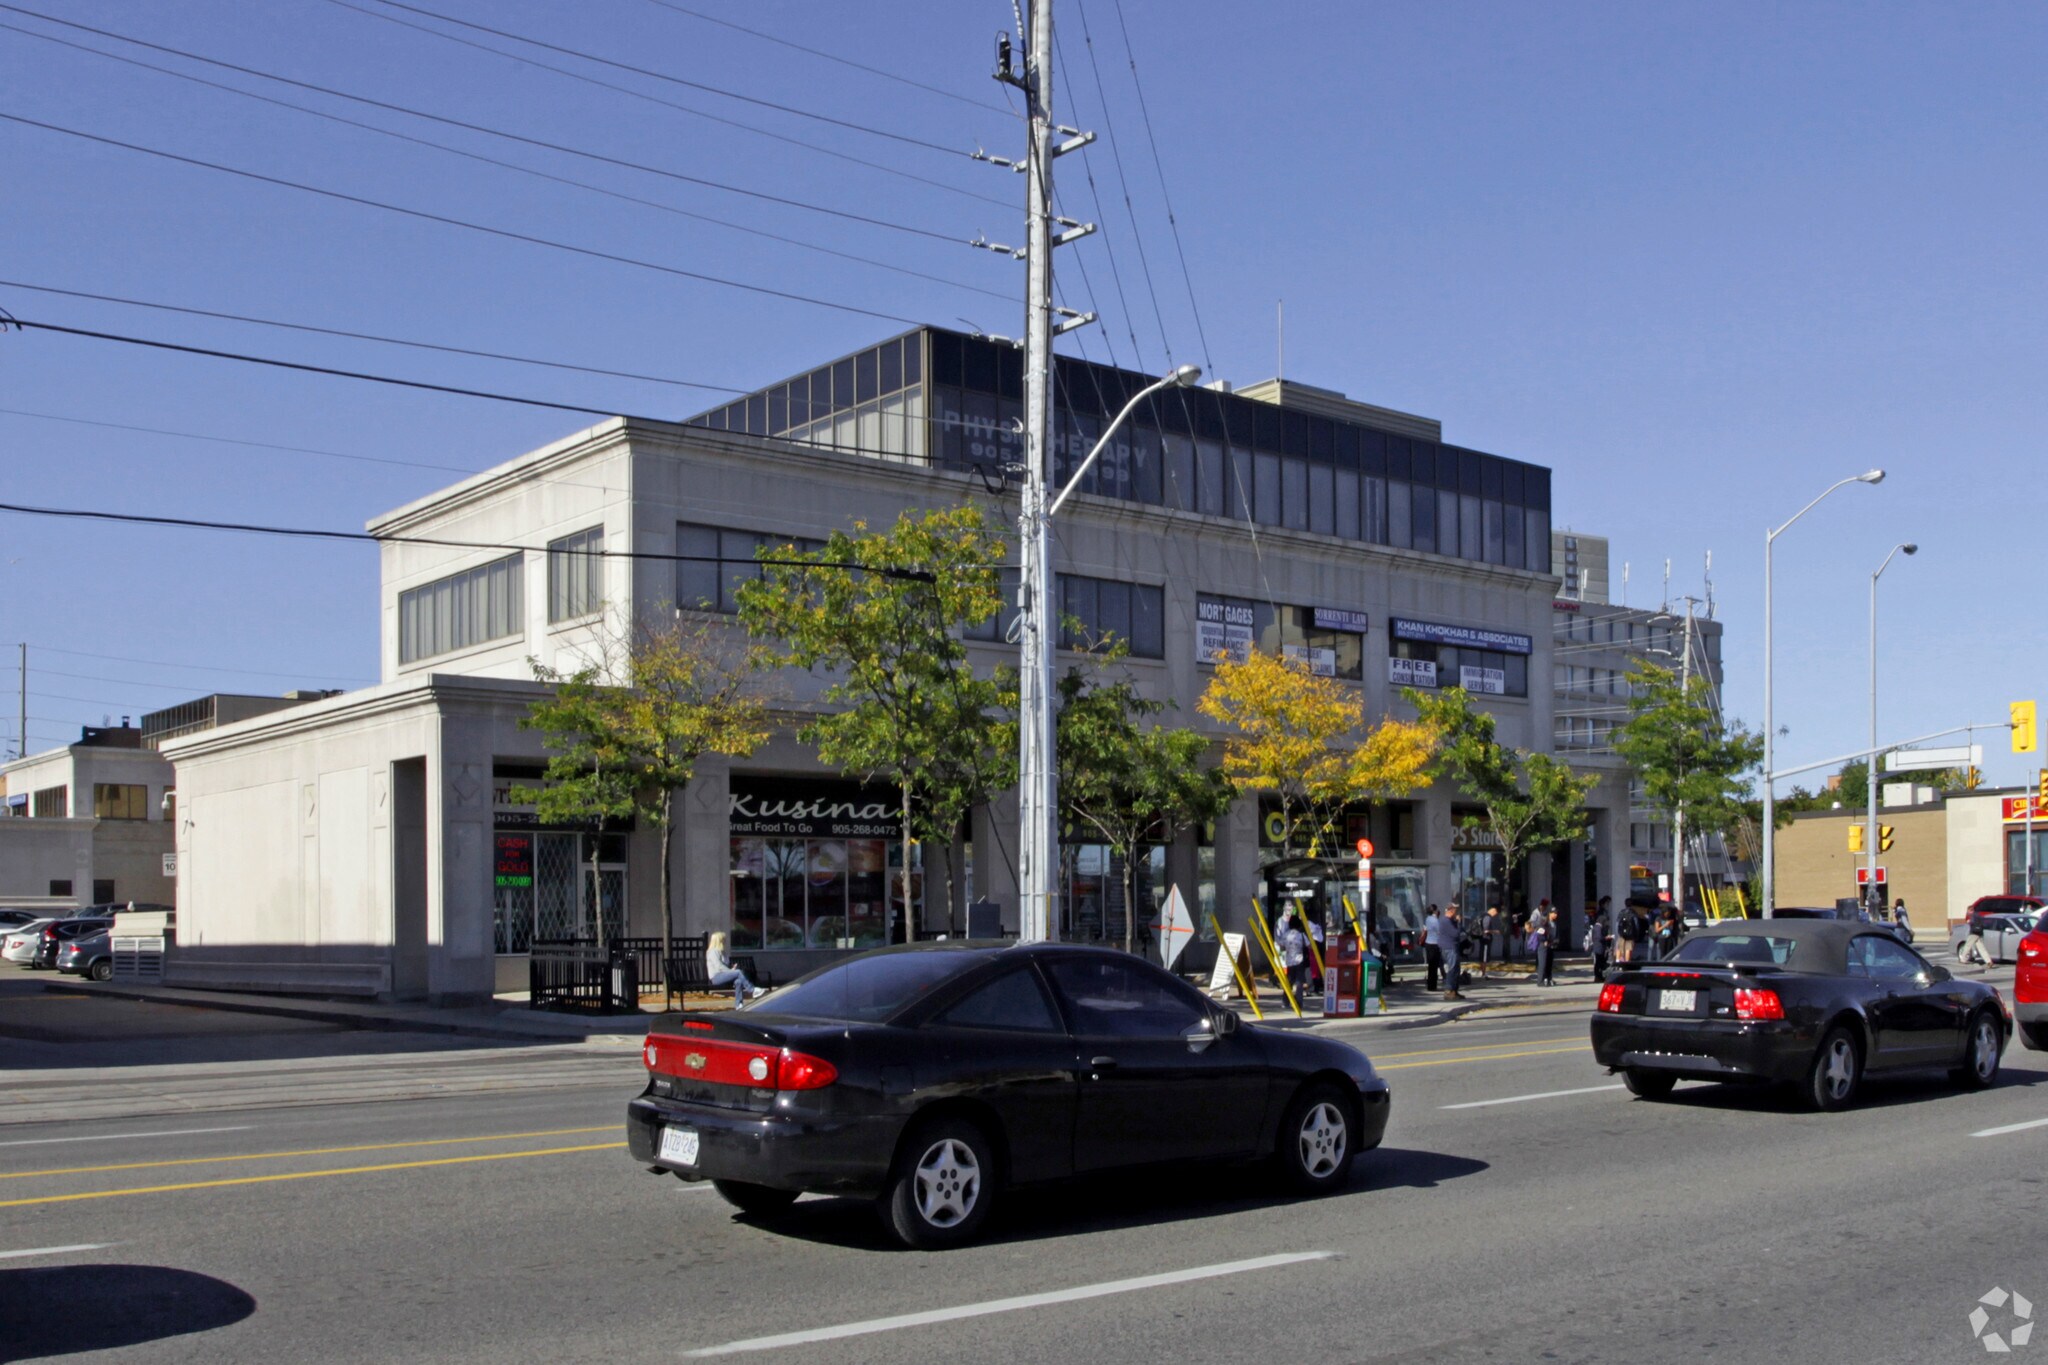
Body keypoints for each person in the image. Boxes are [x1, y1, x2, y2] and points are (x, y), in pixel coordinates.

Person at [705, 930, 764, 1006]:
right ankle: (752, 990)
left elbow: (725, 965)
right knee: (738, 972)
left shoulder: (722, 951)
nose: (725, 941)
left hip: (724, 975)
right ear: (719, 940)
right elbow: (718, 966)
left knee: (738, 981)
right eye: (723, 939)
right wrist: (730, 971)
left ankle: (738, 1004)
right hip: (716, 977)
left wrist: (732, 968)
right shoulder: (713, 951)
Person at [1433, 903, 1465, 1001]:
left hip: (1452, 946)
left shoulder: (1450, 921)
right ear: (1451, 910)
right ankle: (1449, 990)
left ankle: (1454, 990)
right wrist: (1459, 923)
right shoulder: (1445, 921)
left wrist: (1456, 922)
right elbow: (1456, 934)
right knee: (1452, 968)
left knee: (1456, 969)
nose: (1457, 913)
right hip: (1449, 947)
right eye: (1455, 910)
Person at [1278, 913, 1310, 1000]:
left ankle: (1286, 1000)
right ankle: (1299, 1001)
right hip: (1299, 961)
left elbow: (1281, 947)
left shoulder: (1285, 935)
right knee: (1299, 982)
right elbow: (1309, 946)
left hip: (1289, 961)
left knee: (1289, 981)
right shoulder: (1301, 935)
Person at [1959, 904, 1994, 968]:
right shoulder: (1978, 915)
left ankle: (1963, 959)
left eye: (1968, 911)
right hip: (1979, 933)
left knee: (1967, 945)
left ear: (1970, 910)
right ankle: (1989, 961)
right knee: (1981, 948)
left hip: (1973, 933)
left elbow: (1972, 923)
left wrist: (1969, 922)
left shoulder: (1973, 916)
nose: (1967, 913)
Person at [1423, 904, 1444, 992]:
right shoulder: (1435, 920)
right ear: (1434, 911)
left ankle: (1430, 985)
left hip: (1428, 942)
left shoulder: (1427, 919)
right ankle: (1433, 985)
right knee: (1434, 966)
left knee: (1431, 965)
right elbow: (1439, 931)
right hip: (1435, 944)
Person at [1480, 906, 1505, 978]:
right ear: (1493, 911)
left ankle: (1483, 972)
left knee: (1483, 956)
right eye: (1495, 913)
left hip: (1483, 939)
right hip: (1486, 939)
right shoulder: (1487, 917)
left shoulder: (1483, 916)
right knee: (1484, 957)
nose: (1495, 915)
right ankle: (1483, 973)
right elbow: (1486, 930)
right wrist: (1495, 931)